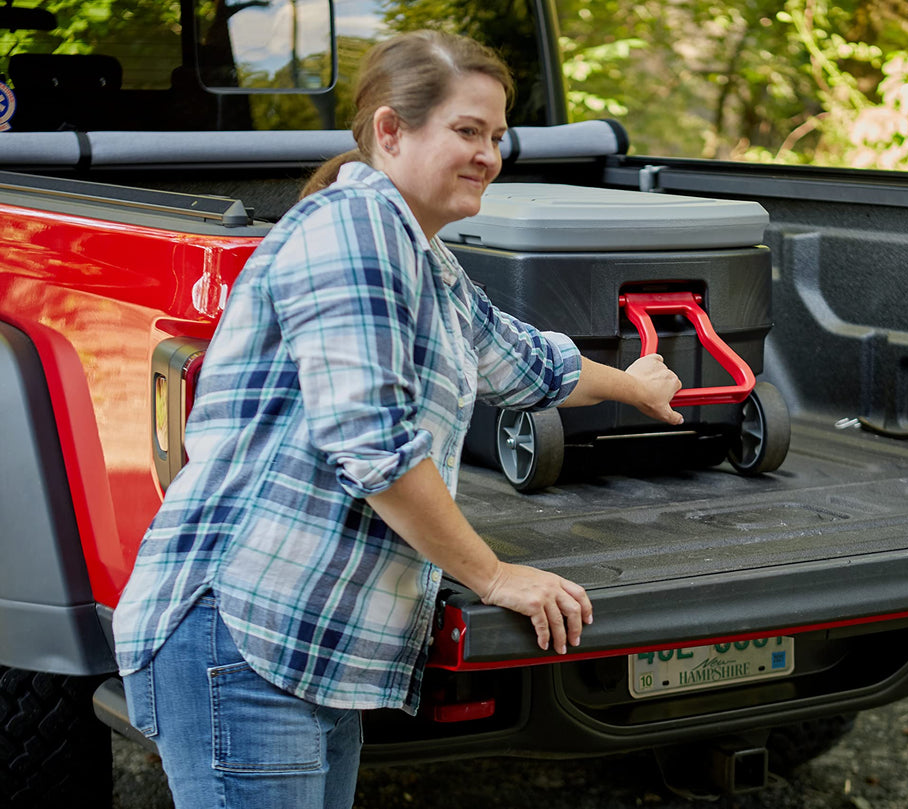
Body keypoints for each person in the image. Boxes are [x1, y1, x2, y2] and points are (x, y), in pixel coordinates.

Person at [111, 30, 683, 809]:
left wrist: (634, 383)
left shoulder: (423, 257)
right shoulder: (352, 228)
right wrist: (493, 574)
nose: (490, 154)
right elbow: (374, 443)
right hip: (244, 632)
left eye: (497, 135)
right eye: (467, 130)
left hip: (308, 646)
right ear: (390, 131)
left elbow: (521, 361)